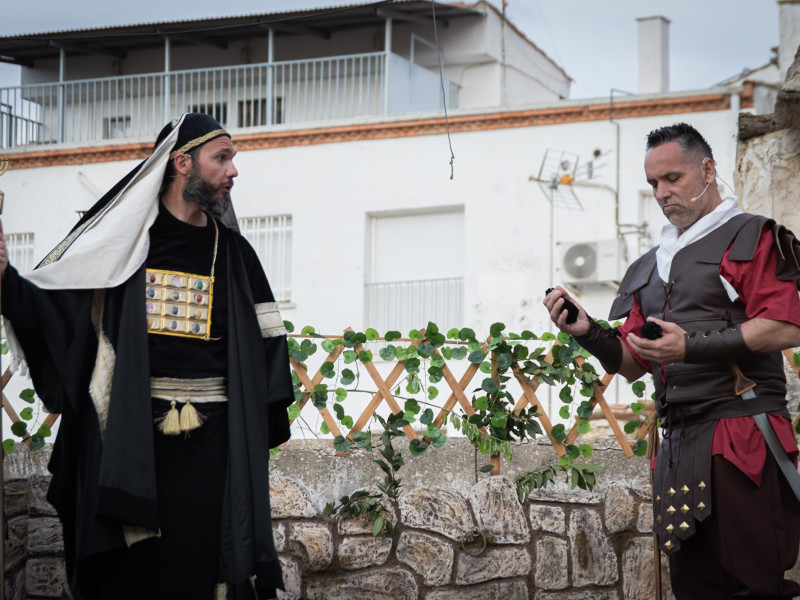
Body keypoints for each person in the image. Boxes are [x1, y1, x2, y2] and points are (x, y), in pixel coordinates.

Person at [0, 113, 294, 599]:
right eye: (221, 158)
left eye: (233, 159)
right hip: (130, 442)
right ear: (182, 163)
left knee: (201, 567)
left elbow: (267, 348)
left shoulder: (236, 255)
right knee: (133, 574)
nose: (233, 171)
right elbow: (58, 314)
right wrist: (8, 283)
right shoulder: (123, 247)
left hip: (214, 451)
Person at [544, 122, 800, 599]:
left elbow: (786, 326)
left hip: (741, 434)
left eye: (672, 179)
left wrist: (692, 347)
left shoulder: (751, 236)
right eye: (653, 184)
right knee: (694, 588)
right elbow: (631, 361)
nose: (662, 193)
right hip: (679, 446)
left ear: (707, 170)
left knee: (756, 585)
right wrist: (587, 331)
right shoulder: (647, 266)